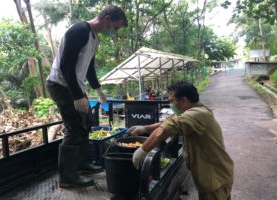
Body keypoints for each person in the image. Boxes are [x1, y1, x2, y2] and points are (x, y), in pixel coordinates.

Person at [46, 5, 128, 188]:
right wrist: (77, 97)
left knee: (88, 122)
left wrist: (98, 89)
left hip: (75, 85)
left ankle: (82, 164)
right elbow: (66, 66)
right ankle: (67, 177)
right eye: (115, 27)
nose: (114, 31)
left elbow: (89, 69)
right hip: (60, 84)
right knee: (74, 128)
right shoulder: (79, 30)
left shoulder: (94, 39)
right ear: (107, 19)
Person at [127, 80, 234, 200]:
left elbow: (169, 126)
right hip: (216, 174)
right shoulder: (195, 110)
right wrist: (145, 128)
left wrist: (143, 150)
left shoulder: (197, 114)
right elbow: (170, 121)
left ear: (183, 100)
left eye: (172, 101)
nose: (170, 104)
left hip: (214, 178)